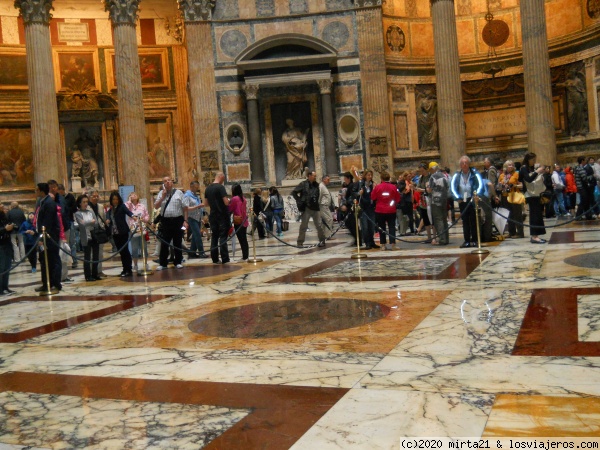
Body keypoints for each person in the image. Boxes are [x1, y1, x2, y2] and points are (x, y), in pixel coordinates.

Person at [451, 156, 484, 248]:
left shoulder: (475, 174)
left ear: (469, 164)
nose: (464, 165)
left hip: (473, 199)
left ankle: (475, 240)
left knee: (474, 220)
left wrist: (477, 195)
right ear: (460, 165)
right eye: (462, 163)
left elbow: (480, 185)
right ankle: (467, 240)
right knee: (465, 221)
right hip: (463, 200)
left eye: (466, 163)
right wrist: (457, 197)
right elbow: (453, 187)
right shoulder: (457, 176)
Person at [153, 176, 186, 270]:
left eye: (169, 180)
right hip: (166, 221)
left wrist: (185, 221)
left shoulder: (179, 193)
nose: (167, 182)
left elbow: (185, 207)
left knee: (177, 242)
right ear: (163, 184)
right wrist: (162, 197)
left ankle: (178, 261)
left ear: (172, 182)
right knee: (164, 242)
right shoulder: (160, 193)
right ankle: (163, 263)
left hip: (178, 220)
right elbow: (156, 206)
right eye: (165, 181)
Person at [34, 182, 62, 291]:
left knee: (51, 260)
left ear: (41, 191)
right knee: (45, 260)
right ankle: (47, 283)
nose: (36, 192)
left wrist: (42, 238)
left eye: (37, 190)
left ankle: (54, 283)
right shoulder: (44, 202)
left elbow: (47, 223)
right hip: (46, 236)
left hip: (49, 238)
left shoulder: (49, 203)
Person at [292, 170, 326, 247]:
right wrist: (299, 200)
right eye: (314, 176)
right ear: (309, 176)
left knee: (319, 225)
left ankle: (322, 240)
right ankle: (300, 242)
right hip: (307, 208)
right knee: (304, 226)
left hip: (315, 207)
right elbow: (294, 192)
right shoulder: (303, 184)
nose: (315, 177)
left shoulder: (317, 185)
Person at [519, 152, 547, 244]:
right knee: (534, 215)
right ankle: (534, 236)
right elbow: (528, 179)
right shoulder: (523, 168)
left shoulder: (530, 168)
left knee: (538, 215)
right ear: (528, 160)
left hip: (535, 194)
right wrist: (537, 171)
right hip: (530, 195)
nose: (534, 161)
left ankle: (536, 235)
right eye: (533, 160)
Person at [106, 191, 134, 277]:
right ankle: (124, 269)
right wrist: (107, 221)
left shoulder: (122, 207)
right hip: (115, 233)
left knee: (125, 251)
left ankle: (128, 269)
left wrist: (134, 216)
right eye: (114, 199)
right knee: (121, 252)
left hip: (123, 232)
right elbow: (108, 217)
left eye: (116, 199)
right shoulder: (110, 210)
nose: (115, 201)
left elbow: (129, 213)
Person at [205, 172, 230, 264]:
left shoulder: (208, 188)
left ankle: (215, 258)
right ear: (221, 177)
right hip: (222, 215)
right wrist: (229, 200)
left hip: (213, 215)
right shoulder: (220, 187)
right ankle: (225, 258)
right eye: (224, 178)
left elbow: (206, 203)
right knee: (223, 236)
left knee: (214, 236)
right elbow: (226, 202)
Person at [371, 171, 400, 250]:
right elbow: (398, 198)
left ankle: (383, 245)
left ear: (381, 178)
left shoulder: (378, 187)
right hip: (391, 210)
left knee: (381, 228)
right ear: (389, 178)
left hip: (380, 210)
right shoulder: (393, 187)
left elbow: (373, 197)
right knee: (392, 227)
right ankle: (393, 244)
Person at [74, 194, 101, 282]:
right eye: (84, 202)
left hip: (94, 235)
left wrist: (87, 222)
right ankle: (88, 275)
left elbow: (96, 222)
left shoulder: (90, 211)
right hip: (86, 236)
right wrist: (90, 222)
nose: (86, 204)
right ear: (80, 203)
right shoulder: (78, 213)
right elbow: (81, 224)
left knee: (96, 256)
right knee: (87, 257)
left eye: (86, 202)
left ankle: (95, 273)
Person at [498, 160, 524, 239]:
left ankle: (520, 232)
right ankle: (511, 232)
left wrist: (514, 185)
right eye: (509, 165)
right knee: (509, 215)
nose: (511, 166)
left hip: (514, 195)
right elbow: (499, 185)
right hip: (505, 196)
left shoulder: (517, 174)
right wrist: (501, 186)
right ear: (505, 166)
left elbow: (521, 185)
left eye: (512, 165)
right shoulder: (502, 175)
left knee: (517, 214)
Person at [125, 192, 150, 272]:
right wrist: (129, 201)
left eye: (135, 194)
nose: (134, 196)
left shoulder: (142, 206)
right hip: (133, 229)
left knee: (144, 247)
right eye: (131, 195)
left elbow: (147, 215)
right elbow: (125, 208)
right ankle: (135, 265)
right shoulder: (128, 206)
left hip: (142, 228)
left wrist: (145, 219)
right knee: (134, 248)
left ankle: (145, 263)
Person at [183, 181, 208, 259]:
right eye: (195, 187)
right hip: (192, 218)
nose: (196, 188)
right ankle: (201, 252)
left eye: (197, 187)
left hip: (198, 218)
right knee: (198, 235)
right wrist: (197, 207)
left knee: (194, 236)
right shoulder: (187, 196)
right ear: (191, 187)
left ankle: (192, 252)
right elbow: (186, 208)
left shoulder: (195, 195)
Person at [427, 162, 449, 245]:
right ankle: (446, 239)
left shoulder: (433, 177)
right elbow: (447, 187)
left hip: (435, 201)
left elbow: (430, 190)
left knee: (438, 220)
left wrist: (427, 188)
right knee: (444, 219)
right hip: (444, 199)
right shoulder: (444, 175)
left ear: (433, 169)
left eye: (430, 169)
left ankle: (442, 239)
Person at [87, 188, 107, 278]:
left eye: (97, 196)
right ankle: (91, 272)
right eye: (93, 196)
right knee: (91, 254)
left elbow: (103, 217)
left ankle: (98, 271)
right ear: (89, 197)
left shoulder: (100, 206)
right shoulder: (87, 207)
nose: (95, 198)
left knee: (99, 253)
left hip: (99, 232)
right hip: (90, 231)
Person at [228, 184, 249, 261]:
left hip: (238, 221)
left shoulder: (234, 199)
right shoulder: (243, 198)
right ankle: (246, 255)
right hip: (245, 221)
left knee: (241, 239)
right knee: (244, 239)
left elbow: (230, 209)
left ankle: (244, 257)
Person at [480, 157, 498, 242]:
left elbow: (492, 182)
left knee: (484, 217)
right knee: (488, 217)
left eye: (485, 161)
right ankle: (487, 235)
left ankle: (483, 235)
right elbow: (490, 184)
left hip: (484, 196)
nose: (484, 162)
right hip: (486, 196)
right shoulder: (486, 173)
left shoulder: (491, 170)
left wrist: (491, 195)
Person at [358, 170, 378, 249]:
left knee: (371, 226)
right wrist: (360, 193)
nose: (370, 176)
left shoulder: (372, 185)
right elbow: (356, 194)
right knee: (365, 226)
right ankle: (367, 242)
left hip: (371, 207)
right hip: (363, 208)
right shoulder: (360, 184)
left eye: (371, 175)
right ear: (365, 176)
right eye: (368, 175)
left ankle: (372, 241)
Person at [0, 206, 15, 295]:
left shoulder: (3, 216)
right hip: (0, 244)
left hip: (6, 242)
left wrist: (11, 227)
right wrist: (4, 229)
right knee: (1, 267)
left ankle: (5, 287)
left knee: (7, 266)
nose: (2, 206)